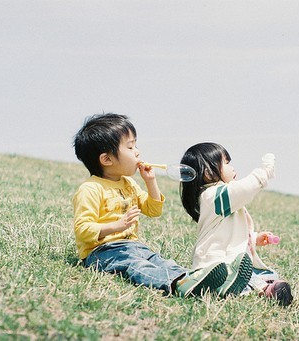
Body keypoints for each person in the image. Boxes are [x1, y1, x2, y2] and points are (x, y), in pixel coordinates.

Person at [72, 113, 229, 297]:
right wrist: (116, 226)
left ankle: (196, 279)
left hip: (133, 246)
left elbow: (154, 210)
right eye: (130, 147)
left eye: (135, 145)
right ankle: (178, 284)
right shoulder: (90, 189)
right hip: (102, 252)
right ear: (106, 159)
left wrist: (150, 182)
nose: (137, 151)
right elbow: (82, 230)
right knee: (137, 266)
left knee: (163, 262)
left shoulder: (128, 183)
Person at [179, 142, 293, 306]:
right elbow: (245, 189)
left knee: (264, 275)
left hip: (232, 261)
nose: (232, 168)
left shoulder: (220, 197)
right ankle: (229, 285)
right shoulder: (213, 195)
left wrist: (254, 239)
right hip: (216, 263)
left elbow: (231, 234)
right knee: (236, 272)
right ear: (208, 172)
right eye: (226, 163)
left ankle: (266, 288)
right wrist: (265, 172)